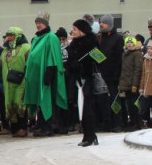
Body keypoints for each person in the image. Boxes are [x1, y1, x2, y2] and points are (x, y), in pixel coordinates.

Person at [24, 12, 66, 137]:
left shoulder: (51, 37)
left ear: (46, 23)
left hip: (47, 74)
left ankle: (48, 126)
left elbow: (53, 57)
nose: (38, 25)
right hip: (36, 76)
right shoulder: (37, 38)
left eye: (40, 22)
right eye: (36, 22)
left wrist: (49, 73)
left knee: (46, 101)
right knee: (39, 101)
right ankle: (41, 124)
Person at [66, 19, 101, 147]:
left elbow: (101, 60)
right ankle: (88, 135)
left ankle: (90, 136)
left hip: (89, 78)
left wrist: (86, 63)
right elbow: (69, 62)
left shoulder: (92, 43)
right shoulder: (73, 44)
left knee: (88, 108)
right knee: (81, 107)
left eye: (75, 29)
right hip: (77, 80)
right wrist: (71, 66)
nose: (72, 31)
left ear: (82, 30)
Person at [0, 27, 29, 137]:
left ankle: (23, 128)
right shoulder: (5, 50)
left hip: (22, 81)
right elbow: (0, 64)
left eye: (11, 35)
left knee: (20, 103)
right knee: (10, 103)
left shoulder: (26, 48)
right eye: (8, 35)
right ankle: (15, 128)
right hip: (8, 82)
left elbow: (30, 63)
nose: (9, 37)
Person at [115, 35, 144, 131]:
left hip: (133, 84)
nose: (129, 44)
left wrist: (135, 84)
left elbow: (137, 70)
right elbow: (123, 71)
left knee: (134, 105)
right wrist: (121, 84)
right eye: (127, 42)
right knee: (128, 105)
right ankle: (131, 122)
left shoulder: (137, 54)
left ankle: (136, 123)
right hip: (126, 84)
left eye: (131, 42)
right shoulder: (124, 54)